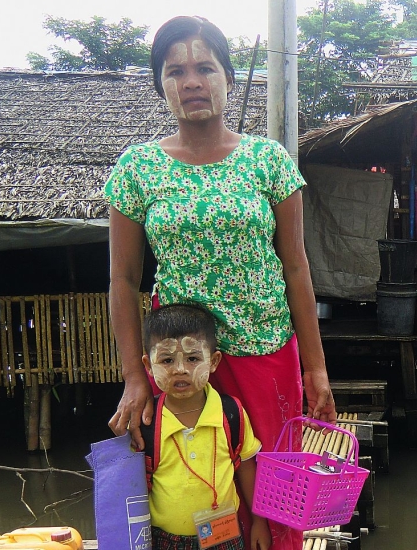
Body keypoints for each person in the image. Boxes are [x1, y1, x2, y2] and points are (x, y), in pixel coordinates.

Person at [104, 15, 335, 550]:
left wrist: (316, 368)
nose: (192, 82)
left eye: (205, 68)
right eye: (175, 71)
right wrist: (135, 375)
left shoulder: (268, 160)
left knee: (275, 499)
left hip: (266, 354)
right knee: (189, 494)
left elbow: (296, 267)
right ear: (161, 85)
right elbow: (122, 277)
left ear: (227, 78)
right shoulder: (138, 168)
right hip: (182, 363)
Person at [132, 304, 267, 550]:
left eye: (193, 358)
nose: (180, 369)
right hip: (165, 541)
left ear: (213, 361)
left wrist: (259, 521)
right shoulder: (146, 422)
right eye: (167, 360)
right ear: (148, 366)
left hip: (224, 537)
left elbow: (247, 468)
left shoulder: (231, 413)